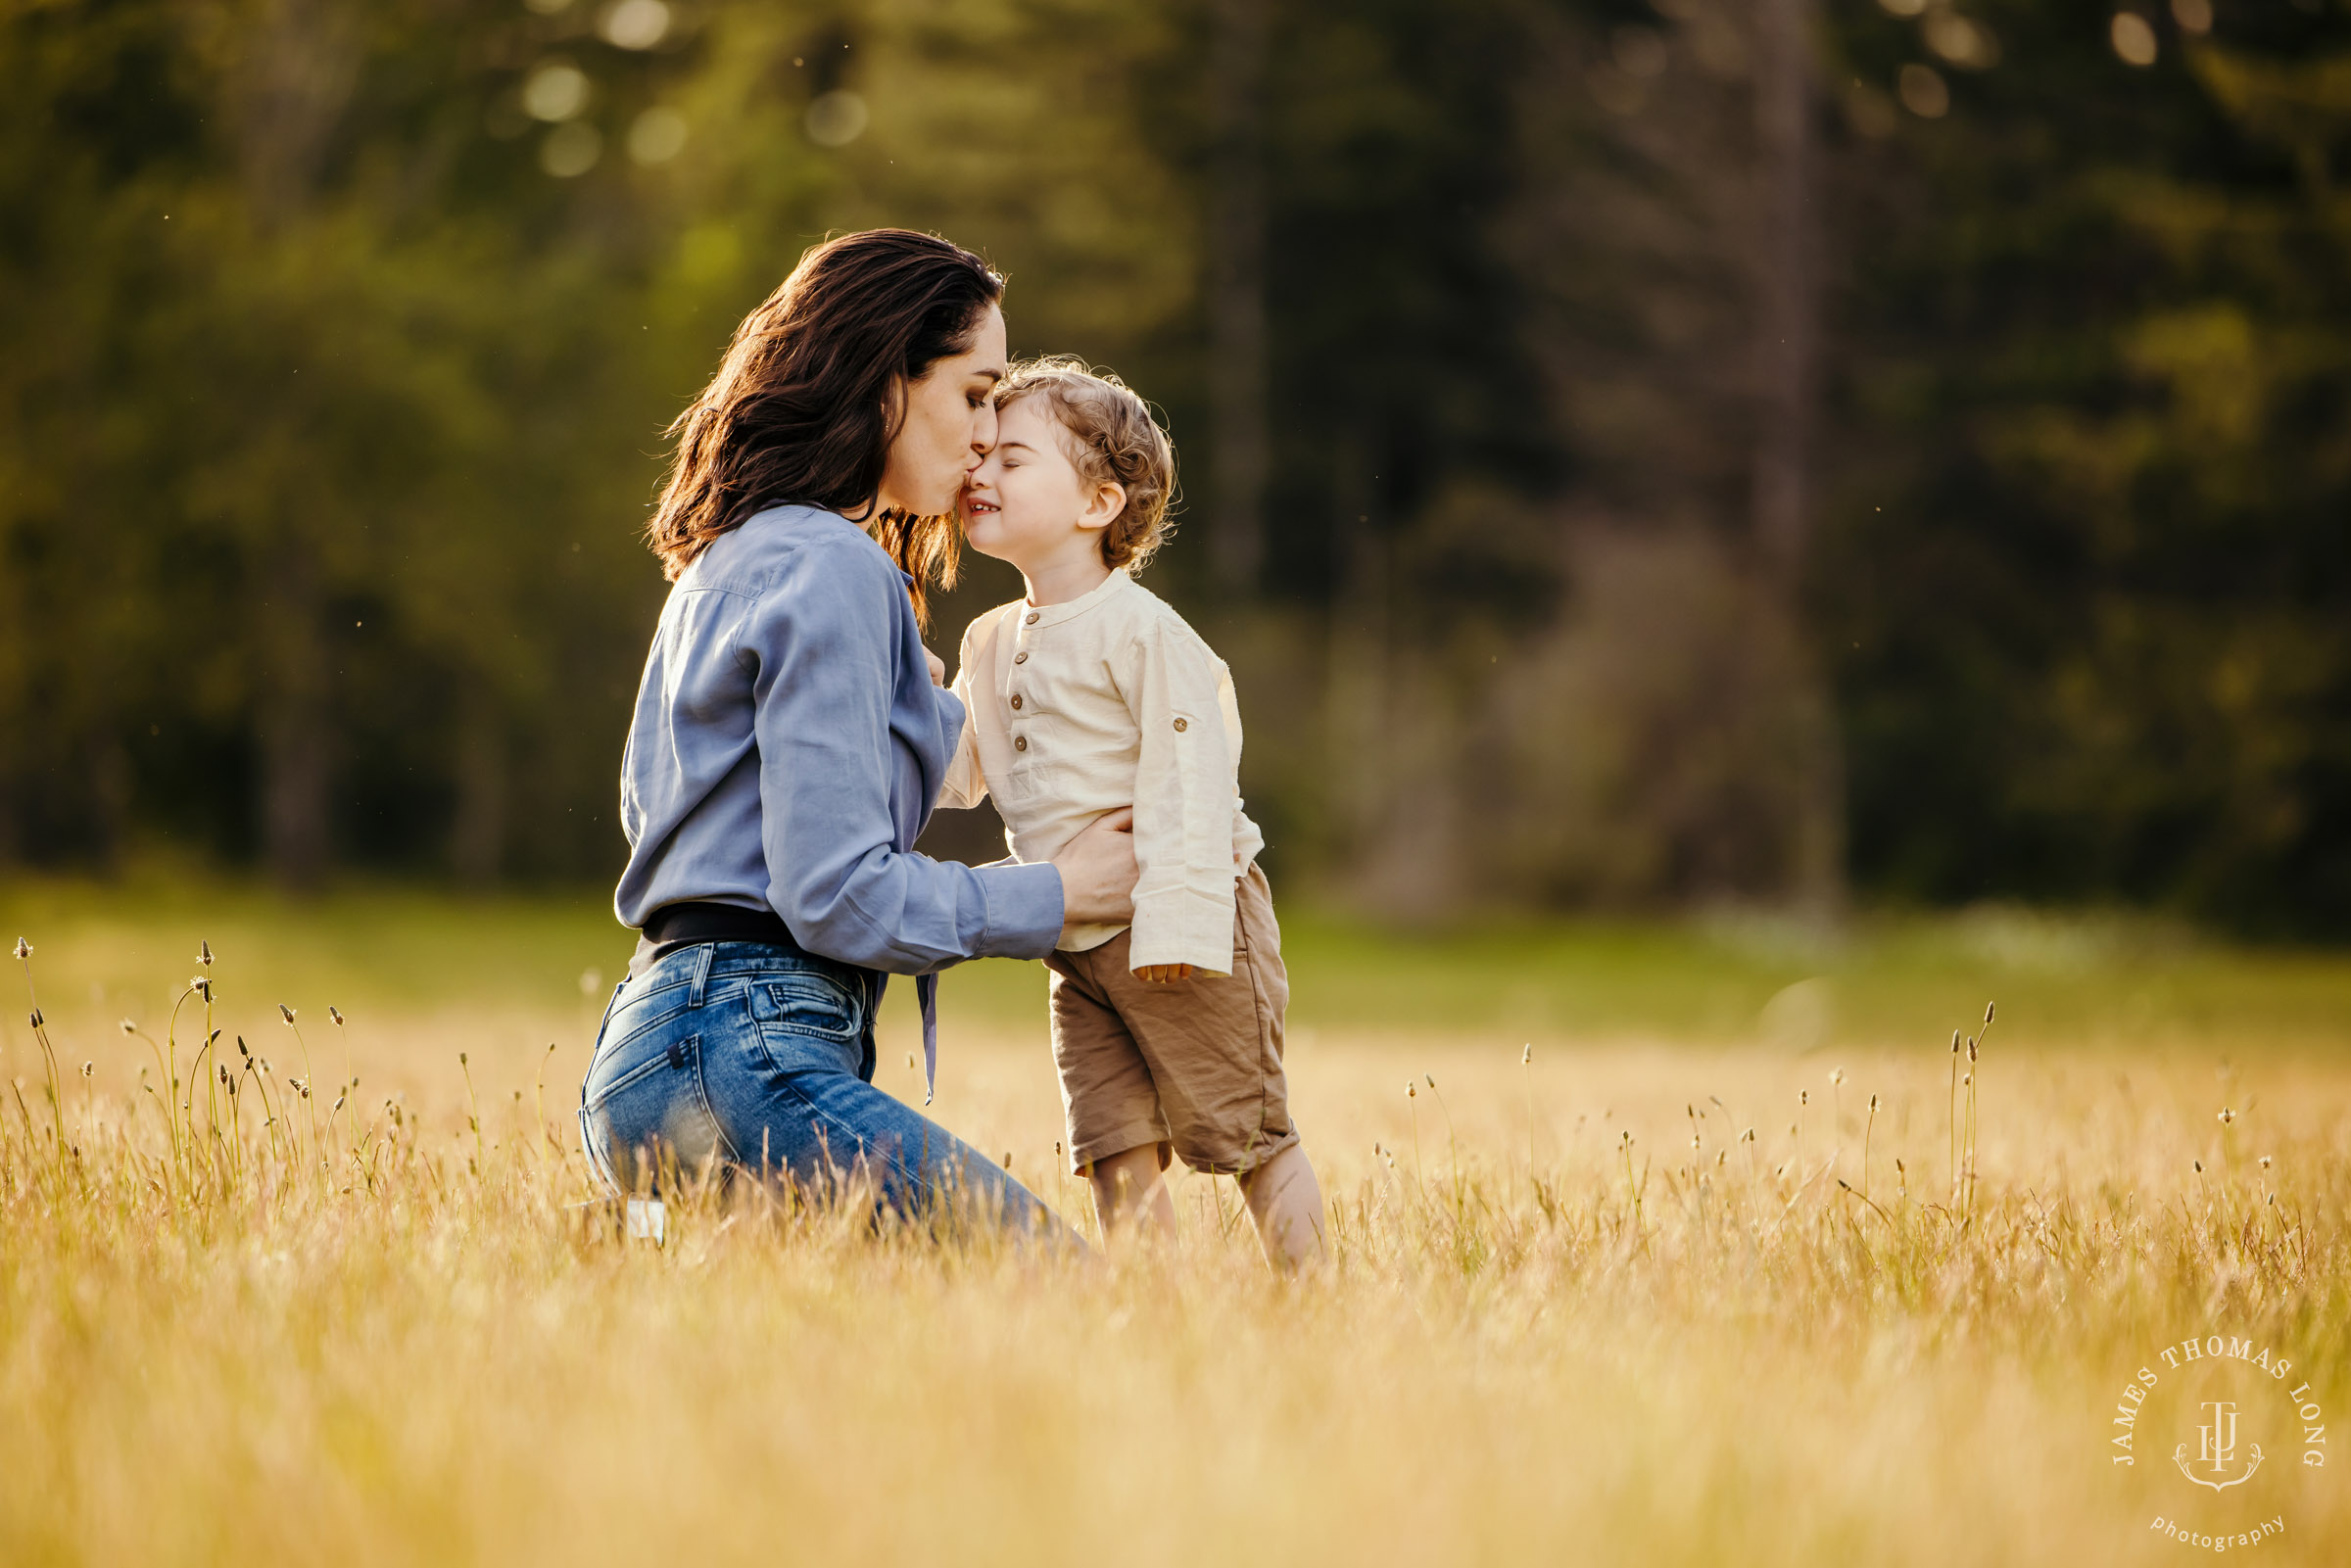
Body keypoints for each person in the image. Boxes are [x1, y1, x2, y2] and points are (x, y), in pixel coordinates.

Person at [578, 231, 1139, 1237]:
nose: (986, 432)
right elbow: (836, 892)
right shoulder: (836, 566)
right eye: (974, 393)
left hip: (653, 1046)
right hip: (741, 1044)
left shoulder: (730, 556)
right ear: (884, 376)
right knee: (1047, 1277)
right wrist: (1061, 895)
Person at [938, 357, 1326, 1268]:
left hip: (1183, 928)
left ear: (1098, 503)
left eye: (1012, 459)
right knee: (1111, 1145)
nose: (979, 472)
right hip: (1073, 944)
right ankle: (1148, 1318)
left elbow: (1194, 784)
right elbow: (957, 774)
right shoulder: (991, 640)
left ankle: (1314, 1301)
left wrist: (1179, 929)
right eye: (981, 453)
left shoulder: (1144, 634)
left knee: (1247, 1135)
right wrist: (905, 702)